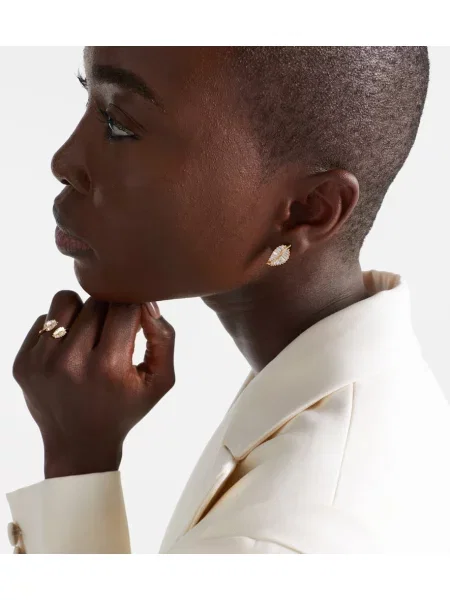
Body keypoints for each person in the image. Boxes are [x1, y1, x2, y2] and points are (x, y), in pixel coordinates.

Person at [5, 46, 450, 554]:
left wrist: (77, 465)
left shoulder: (276, 543)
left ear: (306, 210)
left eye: (120, 124)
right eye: (89, 98)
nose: (63, 161)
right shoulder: (382, 397)